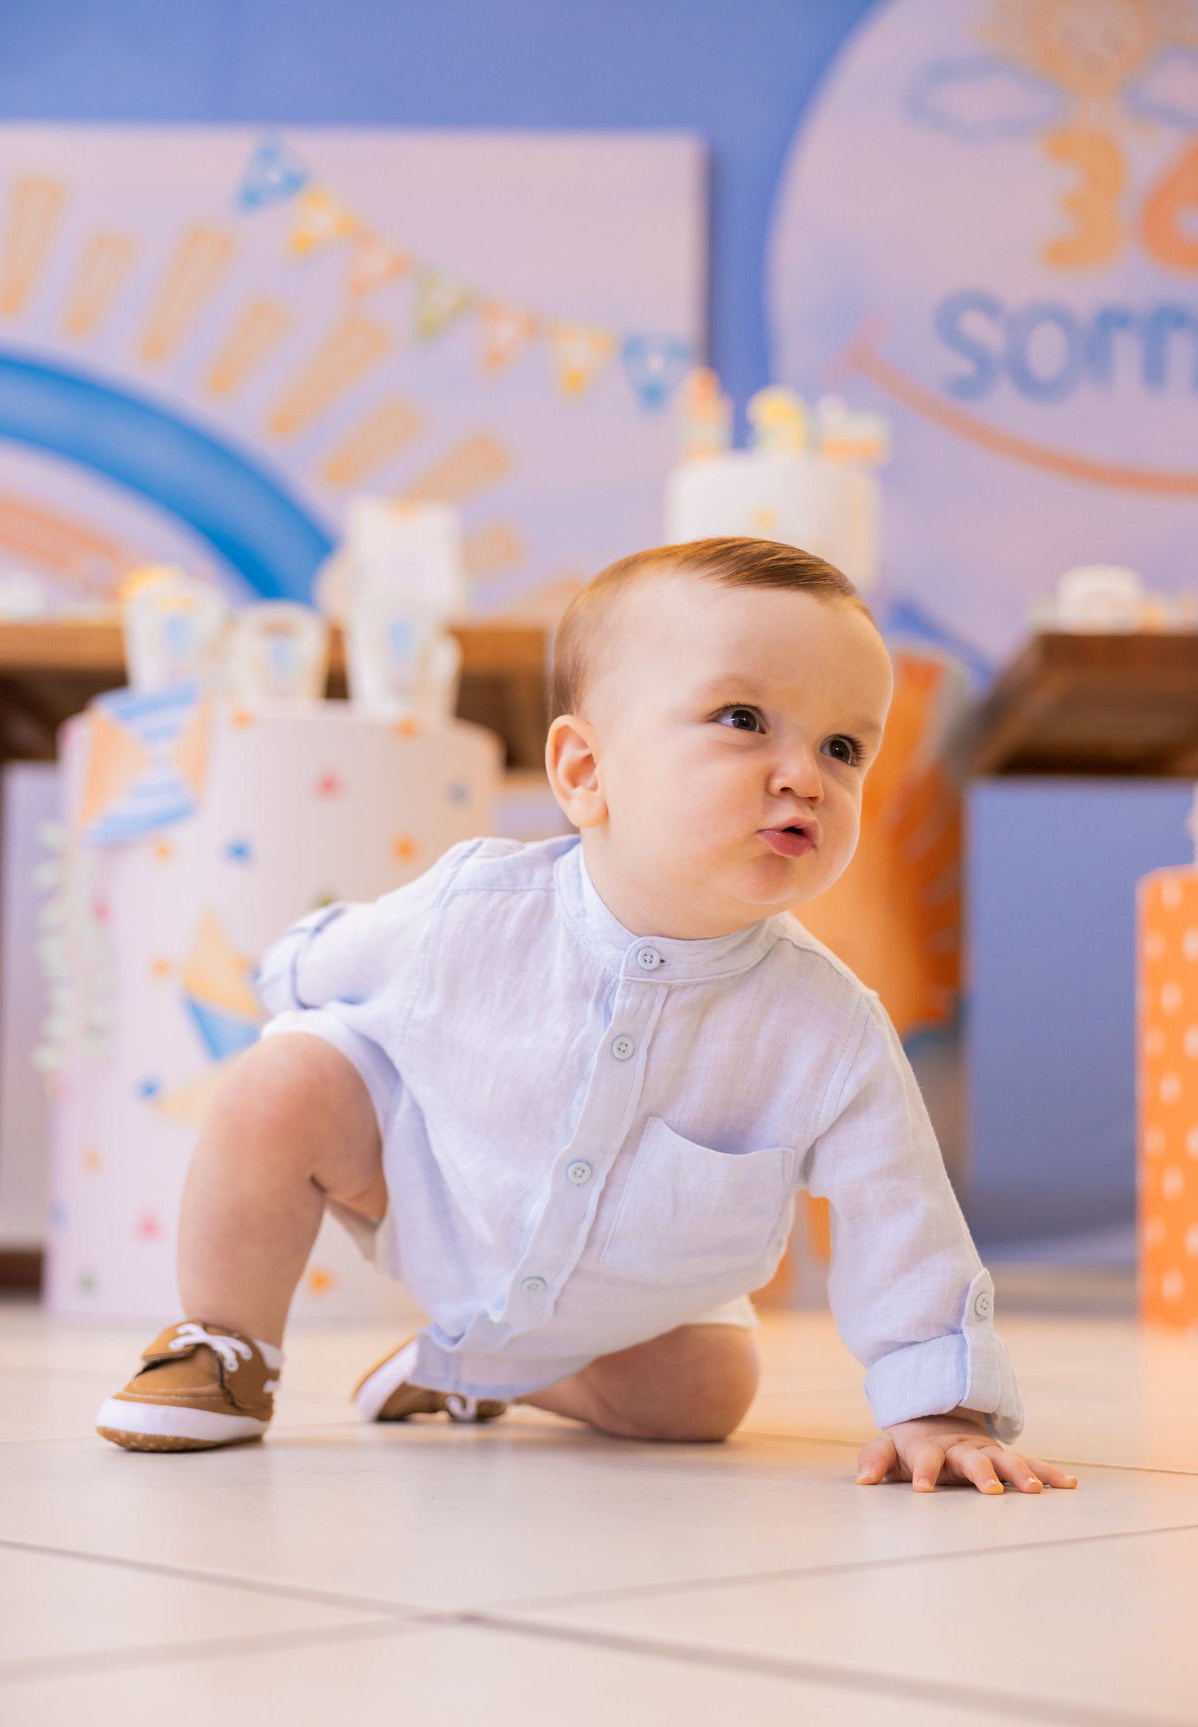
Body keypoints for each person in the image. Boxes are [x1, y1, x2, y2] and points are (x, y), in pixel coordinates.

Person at [96, 536, 1075, 1497]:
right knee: (283, 1076)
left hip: (622, 1305)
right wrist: (276, 978)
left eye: (844, 746)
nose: (804, 775)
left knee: (706, 1400)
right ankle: (225, 1345)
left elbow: (900, 1215)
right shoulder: (475, 909)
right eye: (744, 718)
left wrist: (937, 1405)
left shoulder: (831, 1031)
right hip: (440, 1194)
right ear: (583, 773)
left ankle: (466, 1370)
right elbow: (338, 957)